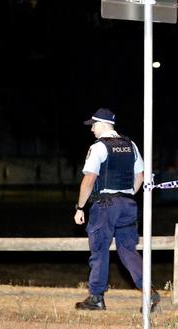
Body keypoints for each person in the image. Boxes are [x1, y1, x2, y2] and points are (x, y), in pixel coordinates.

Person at [73, 107, 160, 311]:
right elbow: (141, 175)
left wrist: (80, 207)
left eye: (93, 125)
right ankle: (150, 293)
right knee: (128, 250)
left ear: (102, 124)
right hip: (128, 205)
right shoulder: (131, 145)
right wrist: (129, 193)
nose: (92, 129)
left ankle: (96, 298)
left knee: (100, 250)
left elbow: (88, 180)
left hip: (105, 206)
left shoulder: (99, 147)